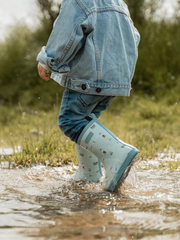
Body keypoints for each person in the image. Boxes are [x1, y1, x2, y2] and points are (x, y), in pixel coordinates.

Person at [37, 0, 140, 191]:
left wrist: (48, 60)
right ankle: (89, 173)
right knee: (87, 120)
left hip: (88, 78)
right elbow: (135, 37)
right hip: (116, 77)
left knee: (71, 121)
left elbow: (67, 34)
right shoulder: (119, 3)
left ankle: (117, 153)